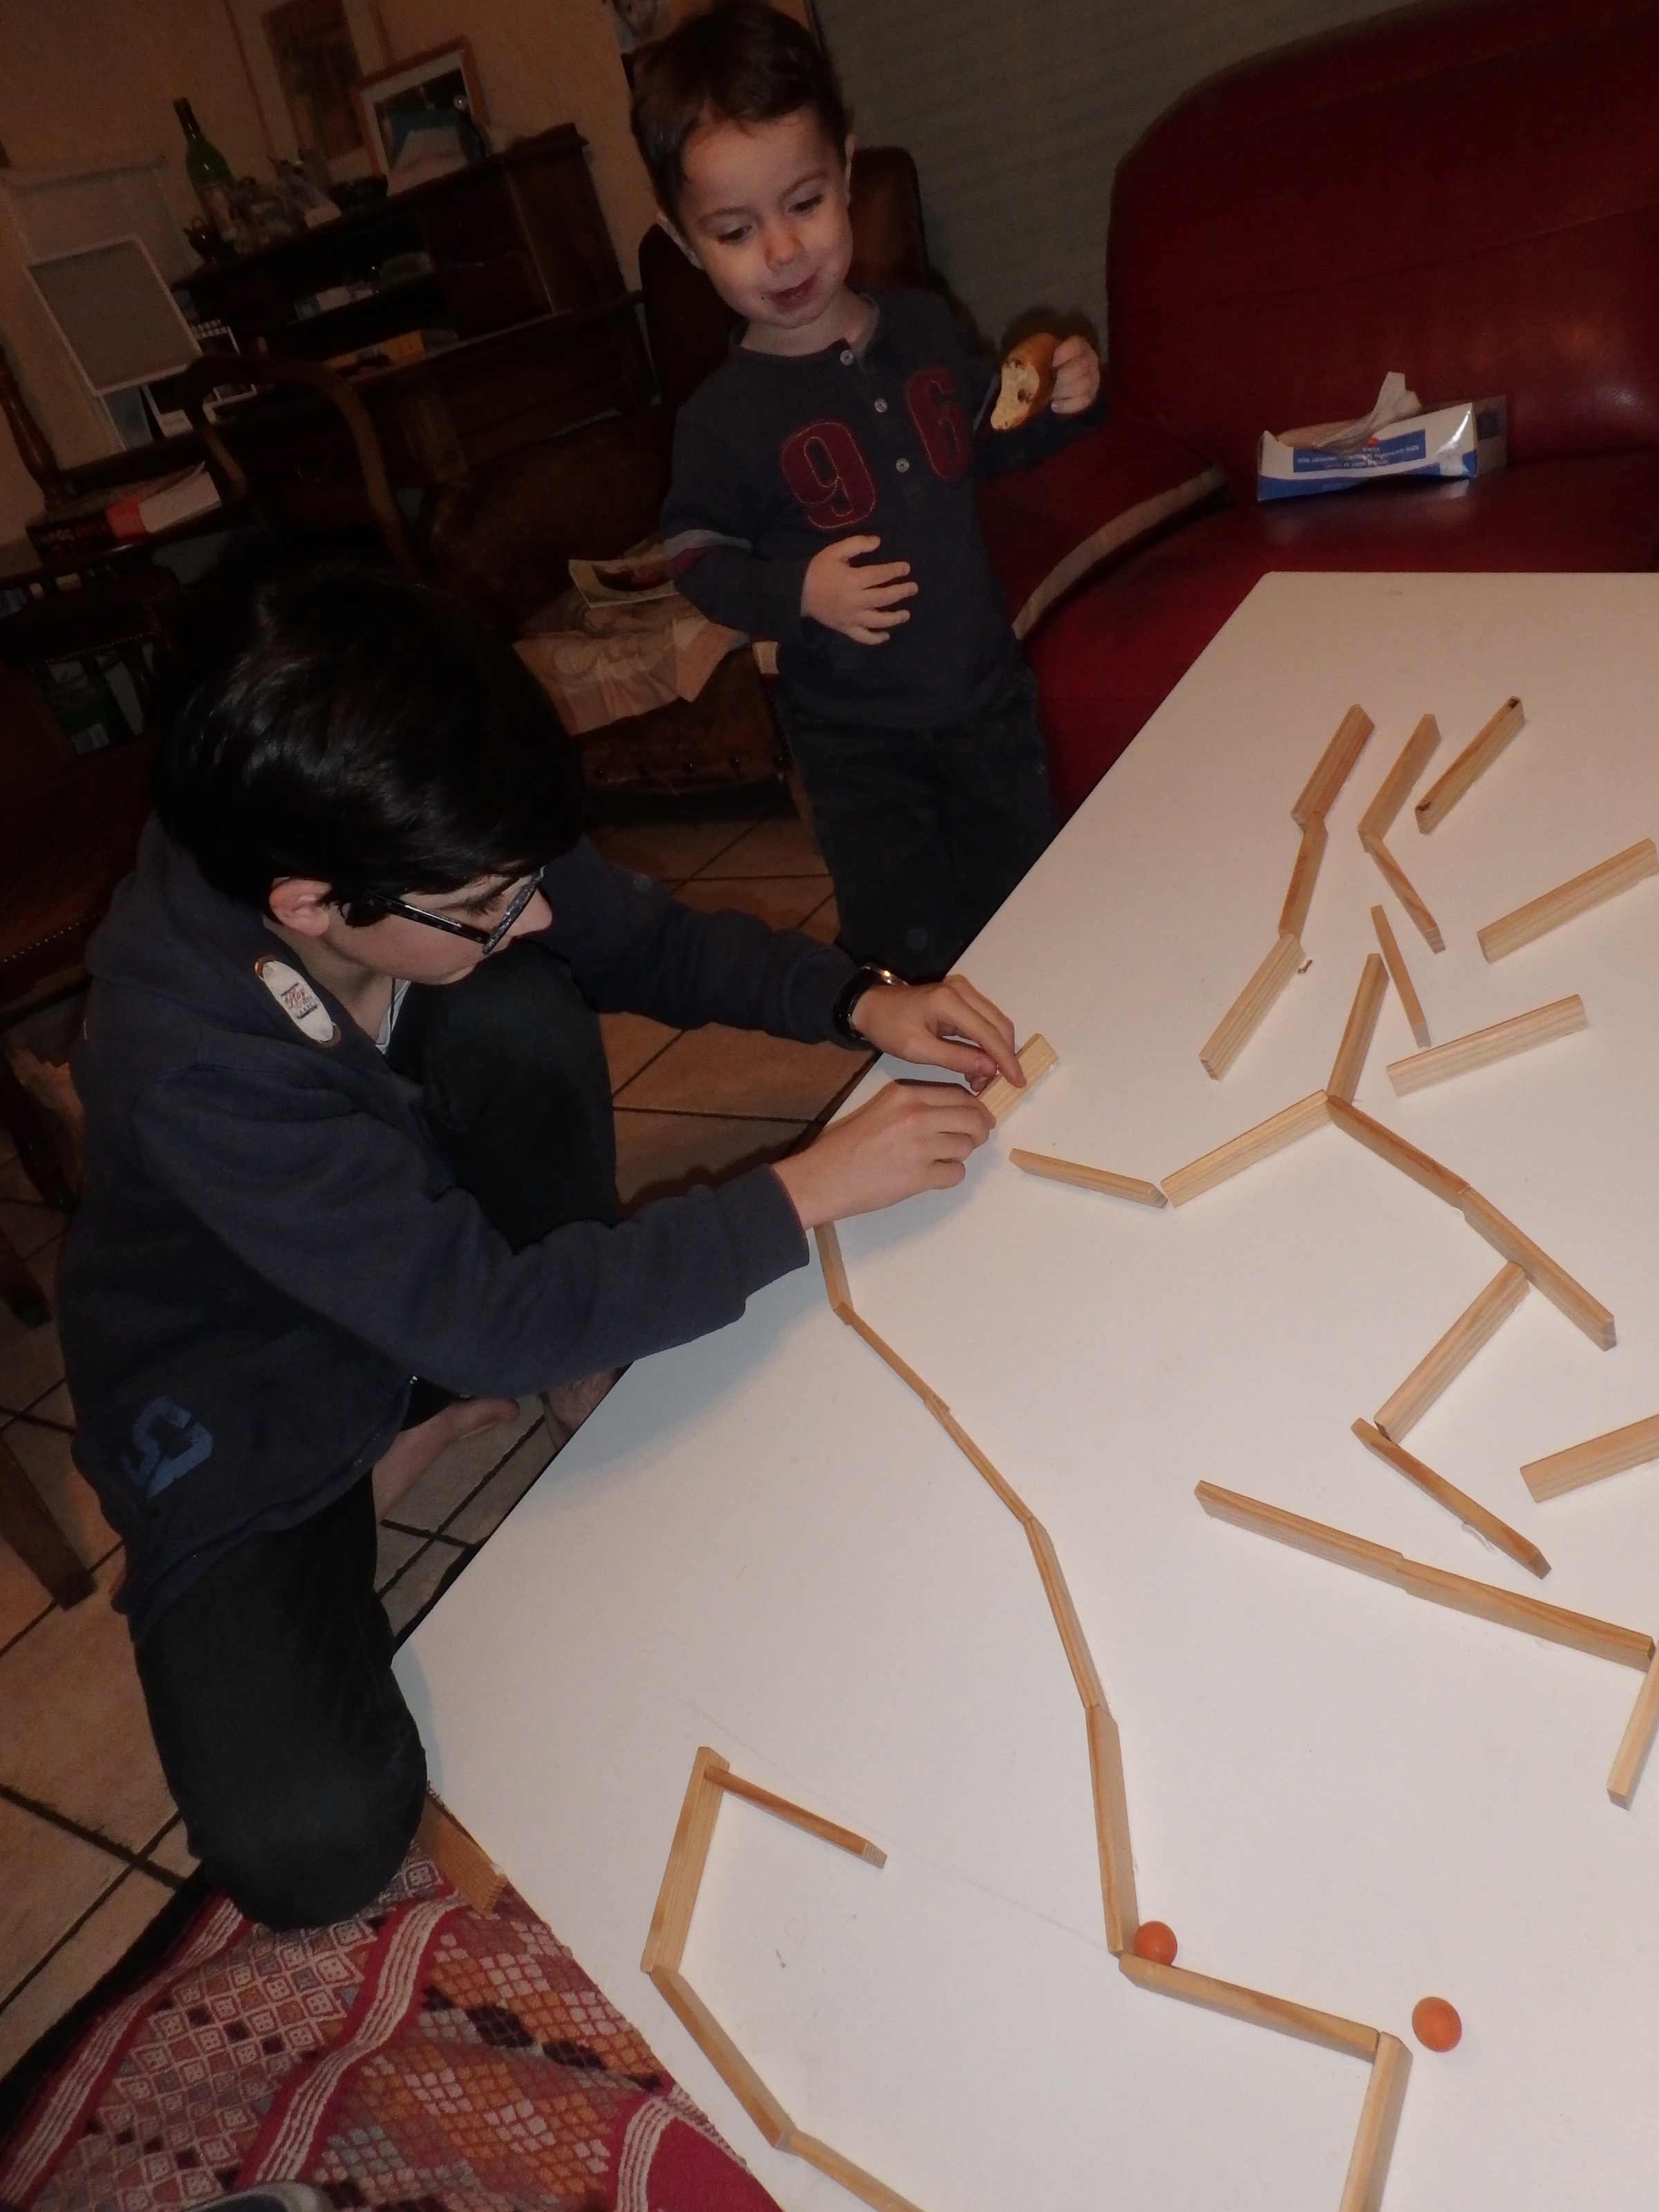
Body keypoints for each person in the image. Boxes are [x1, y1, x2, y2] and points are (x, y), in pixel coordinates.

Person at [57, 568, 1028, 1931]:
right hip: (247, 1368)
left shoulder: (416, 824)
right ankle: (371, 1456)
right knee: (313, 1840)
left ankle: (486, 1379)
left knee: (516, 1005)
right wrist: (803, 1189)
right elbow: (488, 1313)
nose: (538, 911)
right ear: (311, 903)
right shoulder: (184, 1055)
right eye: (492, 897)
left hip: (414, 1265)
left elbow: (643, 937)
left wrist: (856, 999)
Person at [635, 0, 1102, 981]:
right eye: (734, 230)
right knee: (906, 941)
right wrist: (797, 591)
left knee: (1038, 902)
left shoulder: (925, 327)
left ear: (846, 174)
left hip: (984, 701)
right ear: (684, 242)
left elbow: (991, 438)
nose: (782, 252)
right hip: (858, 746)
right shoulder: (721, 419)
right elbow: (695, 557)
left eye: (805, 203)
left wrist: (1062, 399)